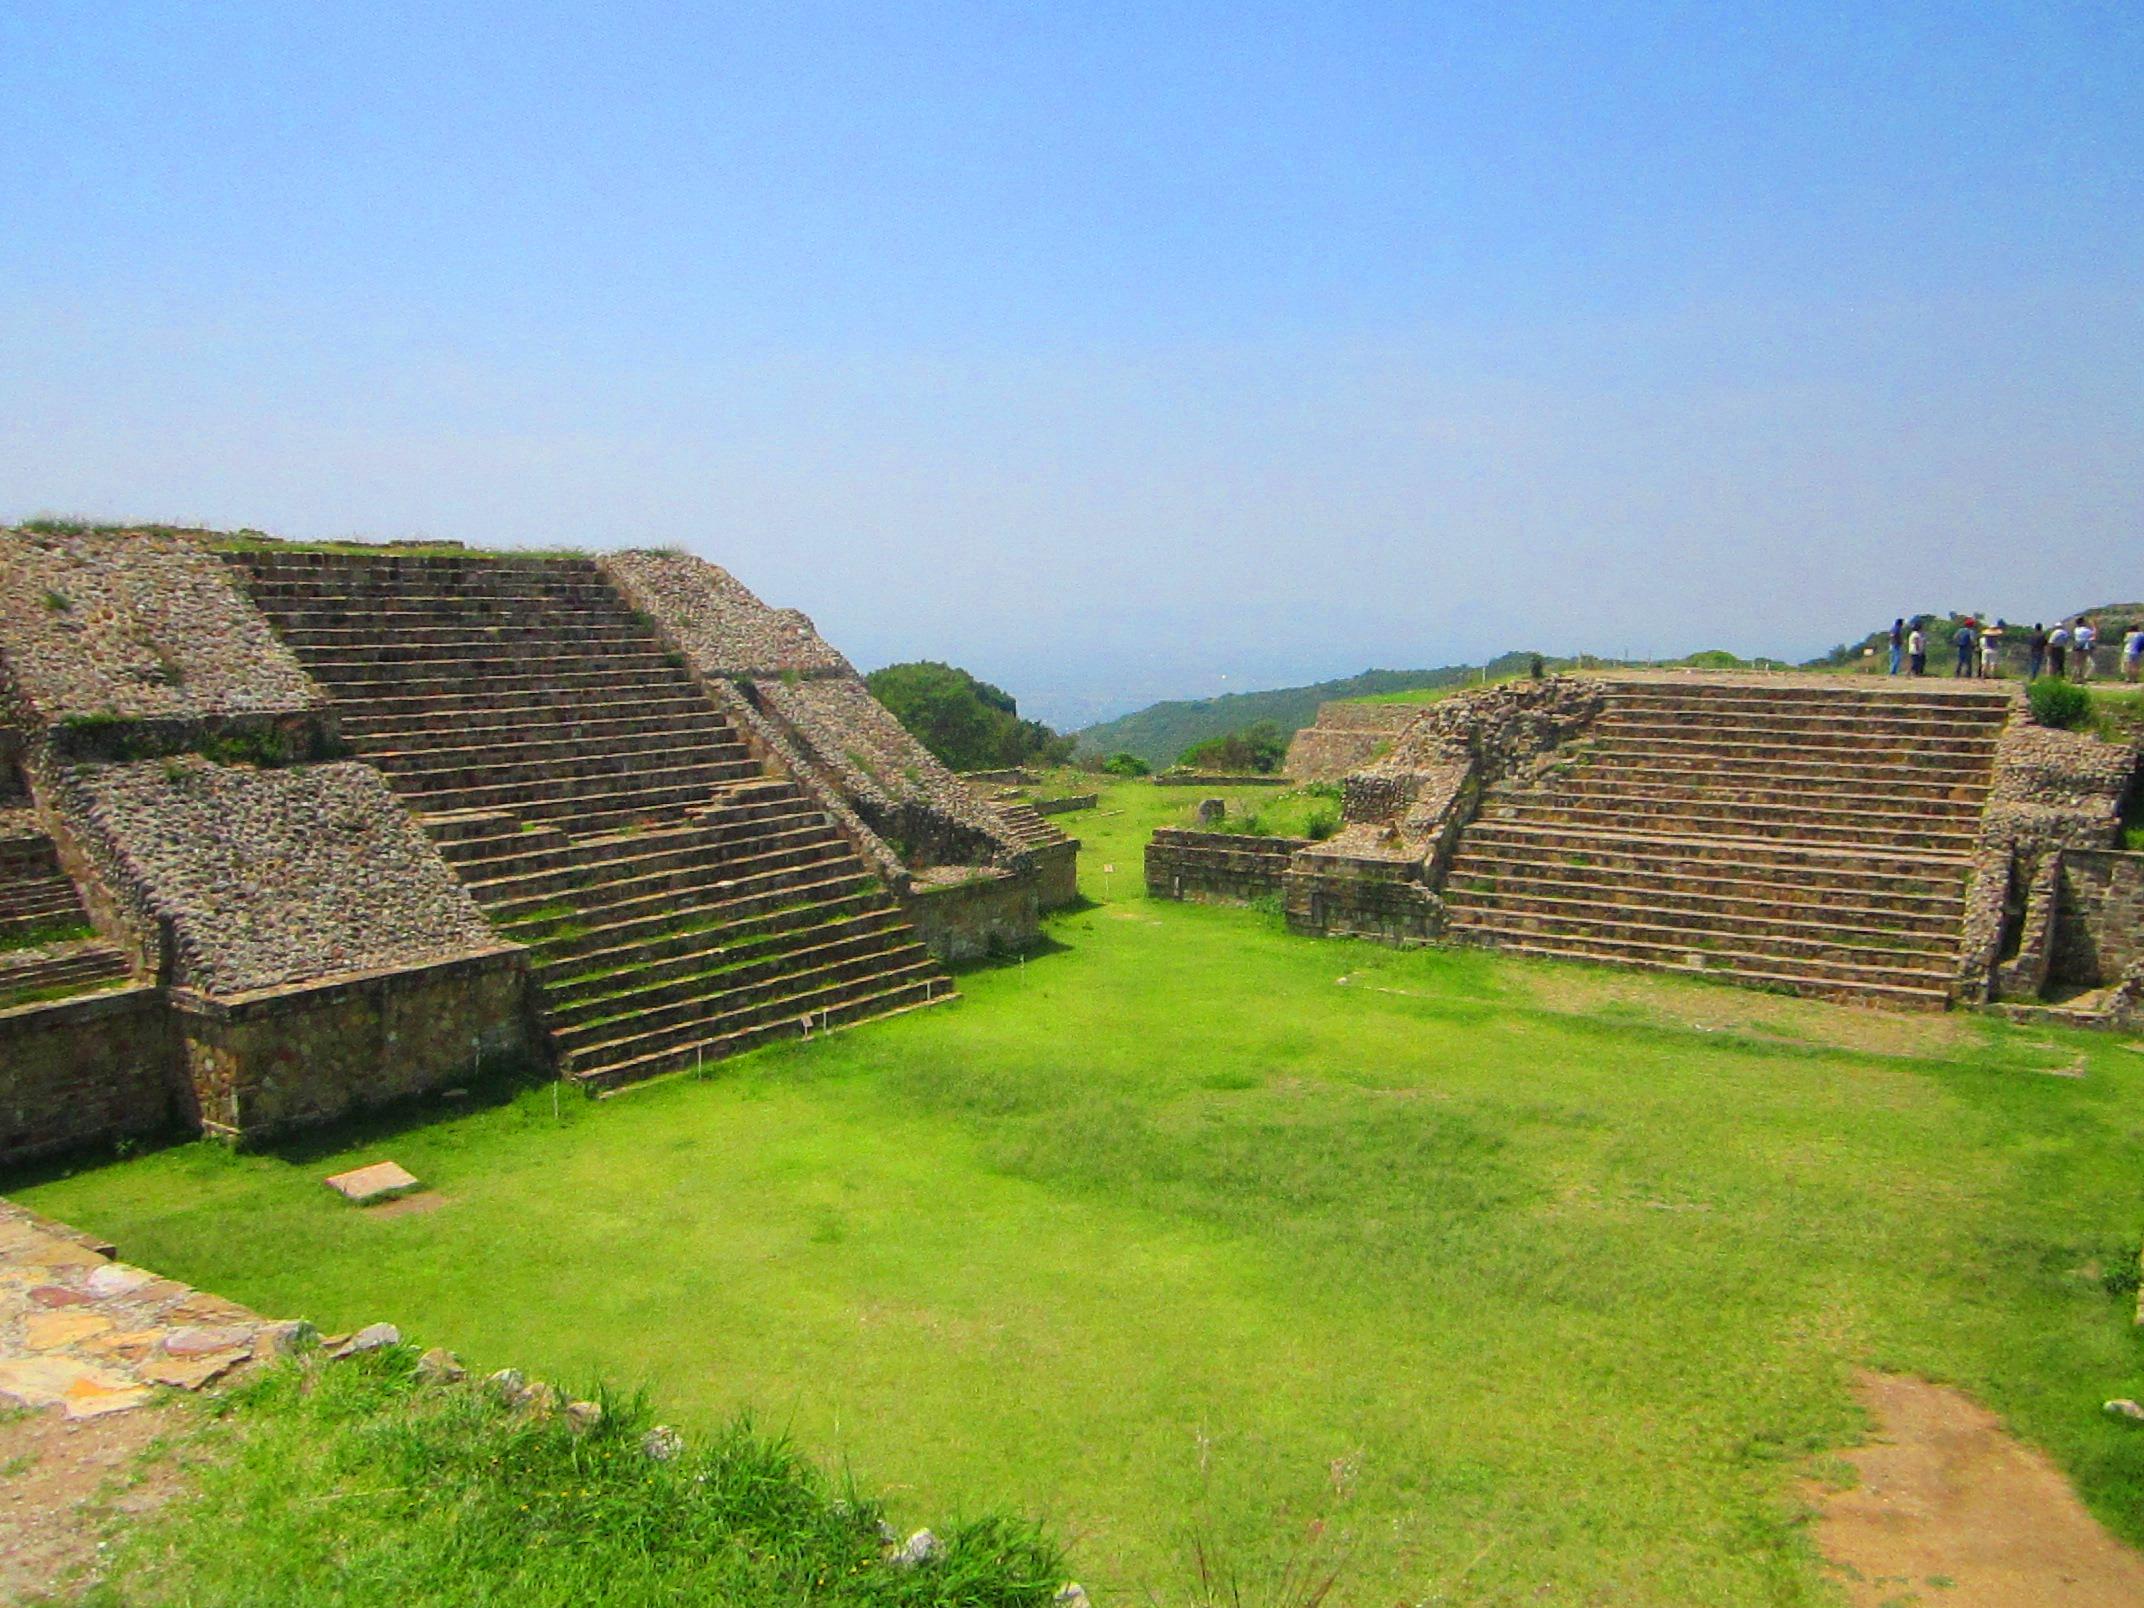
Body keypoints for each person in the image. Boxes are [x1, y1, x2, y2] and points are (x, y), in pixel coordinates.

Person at [2074, 617, 2097, 681]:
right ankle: (2084, 677)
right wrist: (2094, 625)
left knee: (2078, 663)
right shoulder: (2085, 630)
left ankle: (2076, 677)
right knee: (2088, 663)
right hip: (2084, 647)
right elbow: (2094, 635)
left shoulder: (2076, 629)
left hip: (2077, 645)